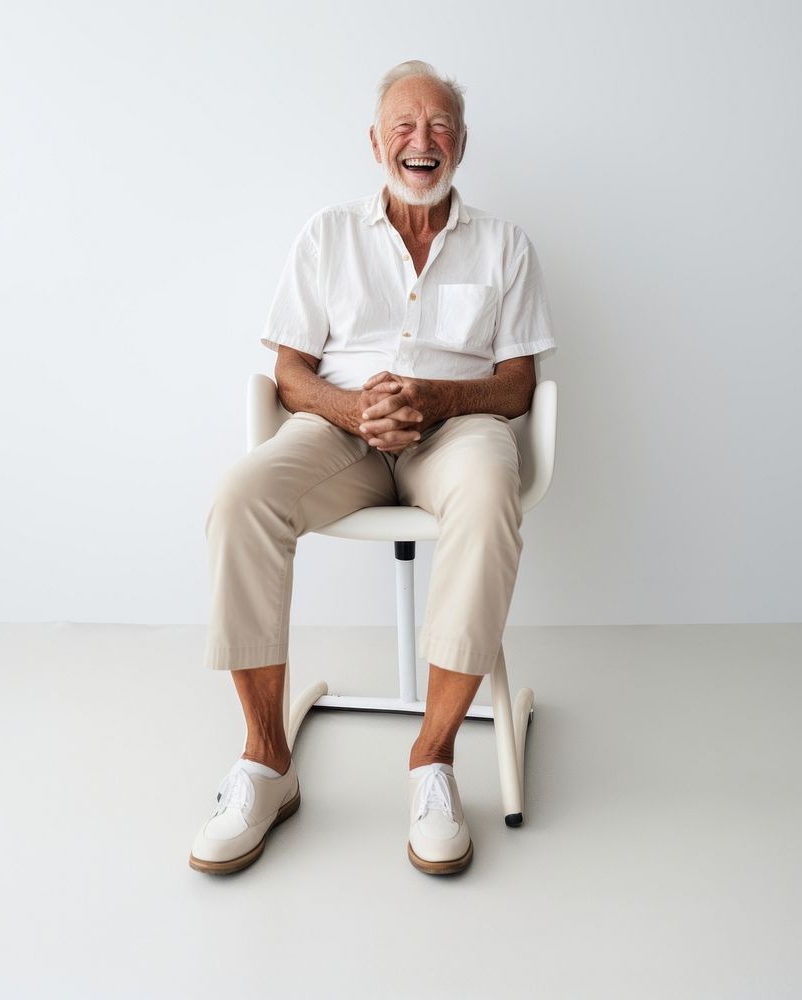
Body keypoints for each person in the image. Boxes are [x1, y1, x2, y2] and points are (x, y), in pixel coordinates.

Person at [189, 60, 555, 876]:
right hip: (341, 431)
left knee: (492, 489)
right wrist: (354, 411)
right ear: (374, 142)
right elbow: (289, 373)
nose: (420, 143)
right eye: (403, 127)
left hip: (457, 430)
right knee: (242, 495)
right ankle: (265, 760)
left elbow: (519, 382)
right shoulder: (327, 234)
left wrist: (434, 396)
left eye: (438, 129)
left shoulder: (504, 245)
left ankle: (432, 760)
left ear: (461, 143)